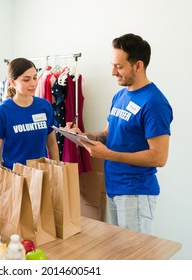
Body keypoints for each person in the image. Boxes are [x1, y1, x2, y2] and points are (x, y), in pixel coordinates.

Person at [69, 33, 173, 235]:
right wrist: (83, 136)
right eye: (113, 65)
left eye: (119, 66)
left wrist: (107, 154)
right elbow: (108, 134)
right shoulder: (120, 95)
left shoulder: (155, 103)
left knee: (135, 259)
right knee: (118, 254)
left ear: (138, 65)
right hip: (114, 187)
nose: (112, 72)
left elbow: (159, 157)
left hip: (136, 194)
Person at [0, 58, 59, 170]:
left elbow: (52, 143)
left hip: (41, 174)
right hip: (14, 177)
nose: (33, 83)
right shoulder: (1, 112)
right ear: (12, 82)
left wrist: (56, 170)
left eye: (35, 78)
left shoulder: (45, 107)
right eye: (26, 80)